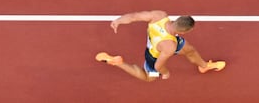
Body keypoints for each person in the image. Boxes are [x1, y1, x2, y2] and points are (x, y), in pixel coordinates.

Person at [96, 11, 227, 81]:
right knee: (148, 78)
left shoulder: (159, 16)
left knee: (189, 50)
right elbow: (159, 65)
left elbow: (135, 16)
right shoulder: (170, 46)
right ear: (183, 32)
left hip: (161, 41)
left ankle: (204, 66)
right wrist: (166, 73)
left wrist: (119, 20)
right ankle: (118, 63)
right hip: (154, 55)